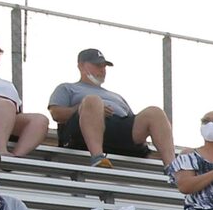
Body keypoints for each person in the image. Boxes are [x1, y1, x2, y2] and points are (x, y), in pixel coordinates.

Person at [46, 47, 175, 165]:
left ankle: (172, 166)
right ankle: (98, 157)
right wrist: (85, 107)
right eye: (97, 66)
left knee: (154, 112)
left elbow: (131, 119)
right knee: (93, 100)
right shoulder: (68, 88)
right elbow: (56, 114)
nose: (102, 70)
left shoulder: (116, 96)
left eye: (104, 67)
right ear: (81, 66)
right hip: (83, 130)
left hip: (118, 128)